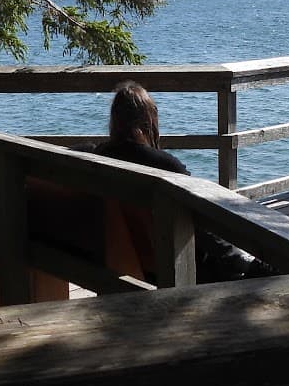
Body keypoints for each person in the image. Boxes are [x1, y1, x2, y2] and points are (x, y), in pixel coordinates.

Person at [79, 80, 274, 282]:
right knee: (264, 269)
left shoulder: (99, 156)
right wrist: (236, 258)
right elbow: (201, 225)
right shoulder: (166, 167)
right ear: (149, 122)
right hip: (179, 264)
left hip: (130, 259)